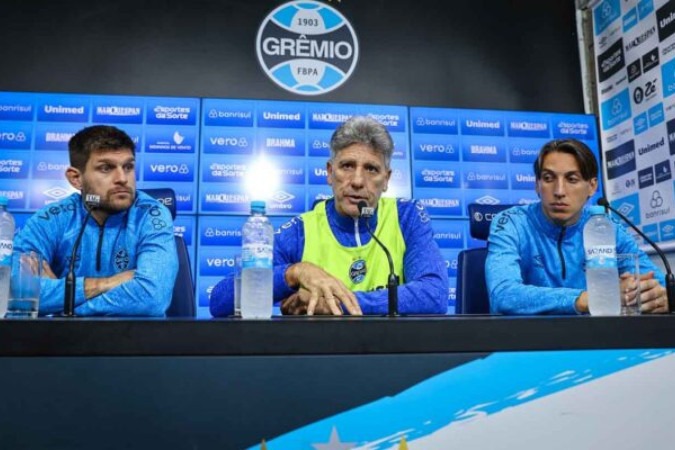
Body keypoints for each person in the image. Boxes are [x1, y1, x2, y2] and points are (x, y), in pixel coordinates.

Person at [210, 116, 448, 316]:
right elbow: (219, 301)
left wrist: (334, 304)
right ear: (329, 173)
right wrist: (293, 273)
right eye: (347, 166)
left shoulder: (406, 217)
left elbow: (435, 294)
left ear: (386, 180)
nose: (357, 181)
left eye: (371, 169)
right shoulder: (301, 231)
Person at [485, 138, 668, 315]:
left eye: (572, 179)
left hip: (595, 339)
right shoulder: (512, 223)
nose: (559, 191)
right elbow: (503, 295)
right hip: (529, 339)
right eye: (548, 178)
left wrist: (656, 296)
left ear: (592, 186)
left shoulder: (606, 226)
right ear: (537, 185)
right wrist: (592, 299)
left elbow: (656, 282)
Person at [13, 125, 178, 316]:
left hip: (136, 342)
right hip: (61, 342)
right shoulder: (51, 219)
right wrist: (106, 283)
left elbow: (151, 298)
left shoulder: (151, 215)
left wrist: (64, 309)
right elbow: (15, 291)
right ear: (76, 178)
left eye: (128, 166)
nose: (122, 178)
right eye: (106, 168)